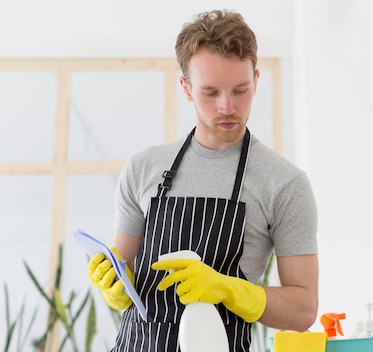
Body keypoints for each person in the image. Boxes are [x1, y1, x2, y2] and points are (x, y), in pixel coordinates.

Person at [86, 9, 319, 352]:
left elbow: (304, 309)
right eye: (210, 93)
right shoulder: (142, 169)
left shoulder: (284, 184)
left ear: (256, 80)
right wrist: (115, 288)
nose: (228, 107)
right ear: (186, 88)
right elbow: (124, 271)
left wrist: (228, 289)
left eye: (240, 90)